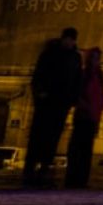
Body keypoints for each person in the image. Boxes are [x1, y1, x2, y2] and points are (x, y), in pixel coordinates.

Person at [24, 27, 81, 187]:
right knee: (38, 134)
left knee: (53, 136)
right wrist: (40, 93)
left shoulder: (75, 58)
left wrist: (73, 100)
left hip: (62, 104)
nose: (70, 42)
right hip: (46, 102)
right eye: (68, 39)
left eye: (72, 39)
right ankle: (30, 167)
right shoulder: (49, 54)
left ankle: (44, 167)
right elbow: (38, 75)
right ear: (63, 39)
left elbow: (77, 80)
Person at [65, 47, 103, 187]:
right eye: (94, 58)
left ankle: (82, 179)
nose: (96, 61)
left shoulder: (99, 75)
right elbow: (78, 94)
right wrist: (86, 106)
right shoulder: (85, 74)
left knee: (86, 150)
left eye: (98, 58)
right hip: (83, 116)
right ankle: (73, 178)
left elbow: (101, 97)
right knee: (78, 148)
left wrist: (98, 114)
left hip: (92, 117)